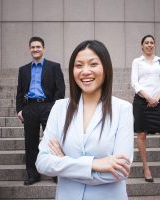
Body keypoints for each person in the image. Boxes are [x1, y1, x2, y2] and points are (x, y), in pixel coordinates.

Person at [35, 40, 134, 200]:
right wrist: (93, 164)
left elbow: (120, 171)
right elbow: (42, 162)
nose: (85, 71)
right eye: (79, 65)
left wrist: (63, 163)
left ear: (106, 68)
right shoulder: (60, 108)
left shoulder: (123, 109)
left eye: (93, 64)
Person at [16, 36, 65, 185]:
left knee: (51, 140)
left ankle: (55, 173)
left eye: (38, 47)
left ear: (44, 48)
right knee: (30, 142)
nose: (35, 49)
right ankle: (33, 174)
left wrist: (54, 107)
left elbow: (60, 89)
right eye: (33, 47)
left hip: (47, 106)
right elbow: (19, 91)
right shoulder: (23, 70)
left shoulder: (54, 67)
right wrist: (20, 109)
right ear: (29, 49)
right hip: (29, 107)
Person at [131, 34, 160, 183]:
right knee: (141, 136)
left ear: (154, 45)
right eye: (146, 42)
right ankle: (146, 168)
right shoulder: (137, 62)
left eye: (152, 43)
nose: (149, 45)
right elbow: (135, 83)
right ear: (142, 45)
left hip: (157, 102)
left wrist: (156, 98)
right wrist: (148, 97)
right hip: (141, 102)